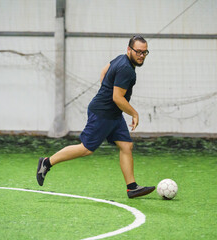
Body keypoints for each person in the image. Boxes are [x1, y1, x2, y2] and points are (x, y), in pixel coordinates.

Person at [36, 35, 155, 198]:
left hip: (113, 114)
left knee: (126, 146)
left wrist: (105, 88)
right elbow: (117, 98)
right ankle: (47, 162)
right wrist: (134, 113)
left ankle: (132, 187)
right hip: (103, 113)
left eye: (144, 52)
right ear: (129, 50)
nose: (141, 55)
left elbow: (104, 70)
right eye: (138, 52)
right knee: (86, 149)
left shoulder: (121, 59)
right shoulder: (126, 69)